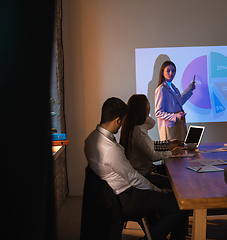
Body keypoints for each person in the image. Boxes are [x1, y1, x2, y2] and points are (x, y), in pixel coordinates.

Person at [84, 97, 188, 240]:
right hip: (127, 197)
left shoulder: (90, 139)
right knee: (180, 207)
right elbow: (134, 178)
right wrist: (159, 190)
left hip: (113, 196)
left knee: (170, 199)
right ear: (117, 121)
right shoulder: (111, 149)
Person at [120, 94, 182, 189]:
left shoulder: (135, 127)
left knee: (174, 175)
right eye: (148, 105)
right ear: (141, 109)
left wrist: (169, 143)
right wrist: (172, 153)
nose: (150, 107)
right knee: (176, 181)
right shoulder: (138, 130)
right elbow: (152, 155)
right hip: (143, 176)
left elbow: (150, 143)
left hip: (142, 174)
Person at [155, 61, 196, 141]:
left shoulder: (174, 88)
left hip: (179, 126)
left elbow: (180, 102)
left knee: (182, 151)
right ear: (162, 73)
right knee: (173, 152)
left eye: (173, 71)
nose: (171, 73)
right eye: (168, 71)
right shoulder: (161, 89)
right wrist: (175, 116)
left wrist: (190, 89)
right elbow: (158, 113)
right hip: (169, 129)